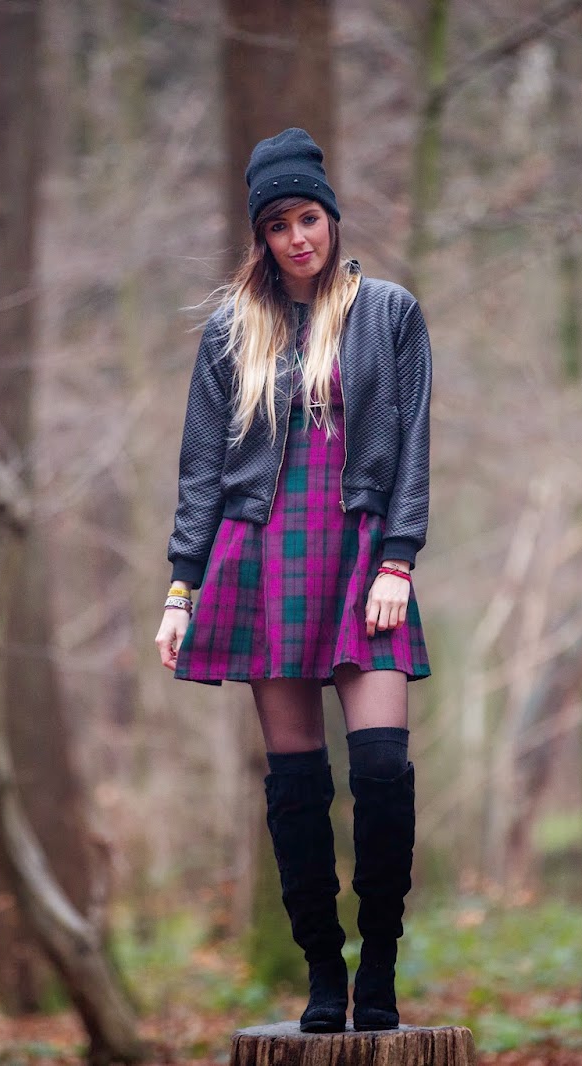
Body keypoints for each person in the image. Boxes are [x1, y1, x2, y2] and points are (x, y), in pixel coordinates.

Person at [154, 127, 433, 1034]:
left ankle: (379, 964)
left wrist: (398, 558)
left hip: (363, 556)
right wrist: (181, 590)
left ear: (332, 217)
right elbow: (202, 470)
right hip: (264, 558)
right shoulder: (232, 332)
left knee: (381, 768)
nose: (296, 237)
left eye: (307, 217)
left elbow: (413, 447)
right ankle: (320, 970)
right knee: (297, 782)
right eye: (277, 225)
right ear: (261, 237)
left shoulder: (388, 313)